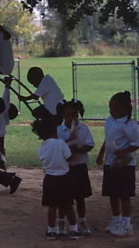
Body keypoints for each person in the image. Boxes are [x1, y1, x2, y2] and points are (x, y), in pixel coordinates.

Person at [32, 118, 84, 241]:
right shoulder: (60, 143)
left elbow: (47, 156)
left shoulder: (42, 148)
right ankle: (74, 229)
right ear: (53, 132)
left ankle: (51, 230)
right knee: (68, 206)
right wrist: (73, 146)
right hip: (64, 178)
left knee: (52, 207)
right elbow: (69, 157)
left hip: (49, 179)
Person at [96, 91, 138, 237]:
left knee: (124, 194)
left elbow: (136, 142)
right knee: (112, 193)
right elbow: (108, 139)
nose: (110, 111)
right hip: (110, 162)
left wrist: (124, 151)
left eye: (113, 108)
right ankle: (116, 218)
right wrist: (101, 153)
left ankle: (126, 223)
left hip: (124, 164)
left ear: (124, 110)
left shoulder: (130, 125)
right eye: (109, 107)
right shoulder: (109, 120)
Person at [56, 99, 94, 236]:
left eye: (73, 114)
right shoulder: (59, 130)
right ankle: (61, 222)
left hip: (79, 167)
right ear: (63, 116)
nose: (71, 117)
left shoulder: (83, 128)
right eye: (67, 115)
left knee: (80, 196)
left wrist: (78, 149)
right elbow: (57, 147)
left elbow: (90, 144)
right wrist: (69, 143)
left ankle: (82, 221)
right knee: (63, 198)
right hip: (65, 169)